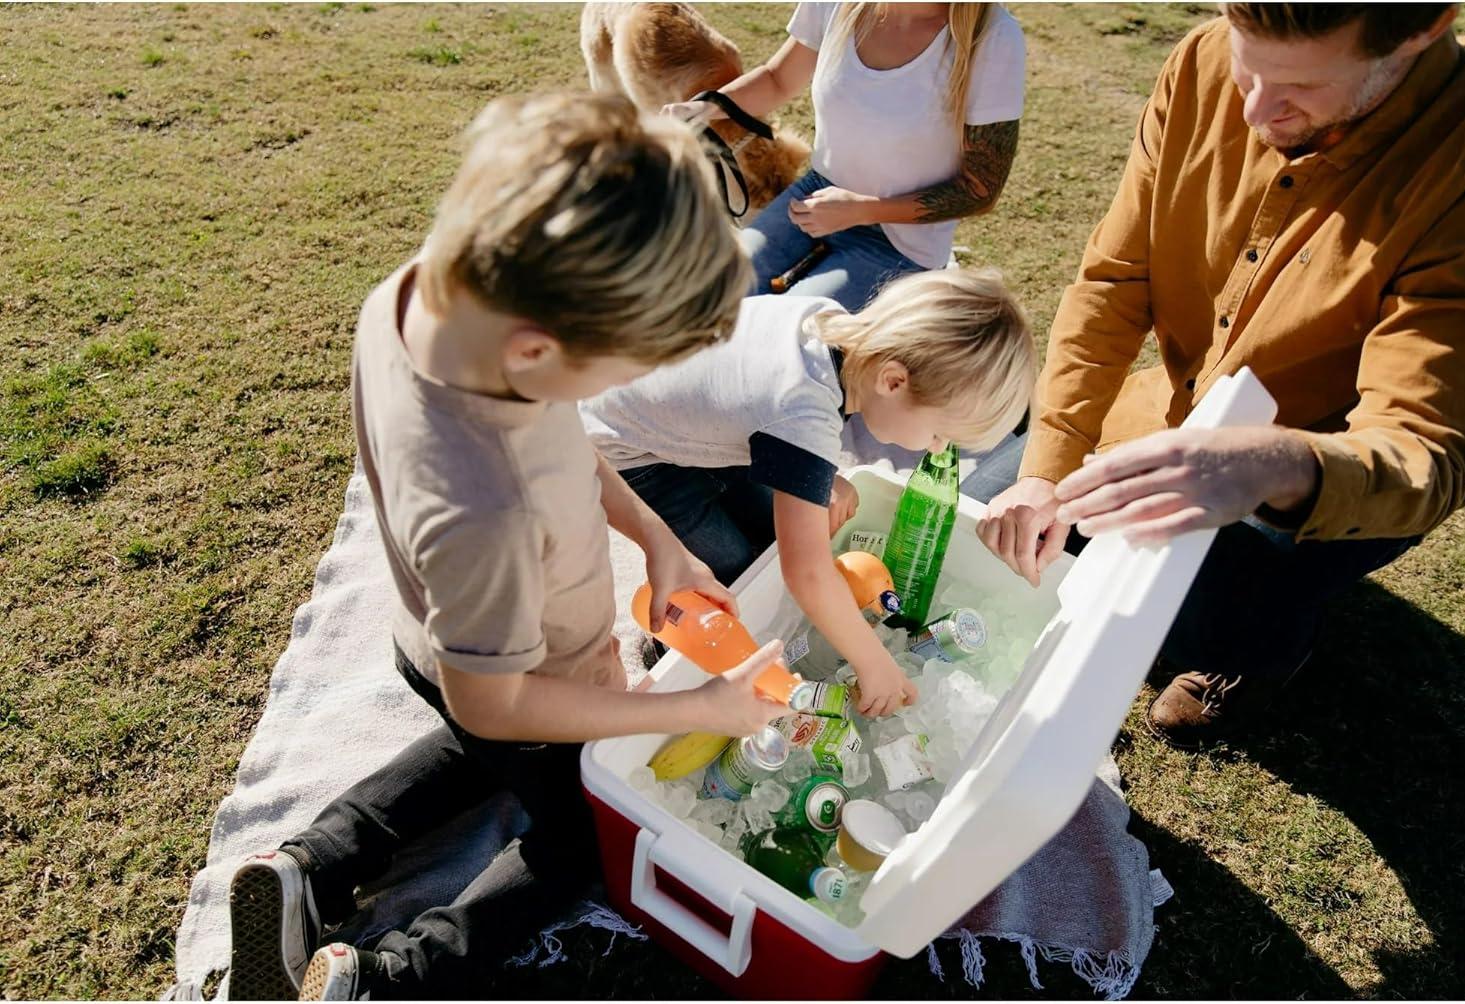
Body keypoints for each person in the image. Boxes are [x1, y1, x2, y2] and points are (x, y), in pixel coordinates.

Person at [224, 93, 789, 1002]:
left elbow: (565, 436)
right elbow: (497, 705)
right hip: (526, 676)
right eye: (624, 370)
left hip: (445, 640)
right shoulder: (486, 503)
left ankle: (313, 864)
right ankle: (387, 978)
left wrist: (657, 537)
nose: (626, 391)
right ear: (535, 352)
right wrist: (694, 710)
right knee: (582, 837)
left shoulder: (434, 295)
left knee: (462, 752)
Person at [977, 4, 1465, 748]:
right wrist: (1046, 469)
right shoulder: (1202, 59)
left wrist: (1276, 465)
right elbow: (1114, 282)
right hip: (1176, 414)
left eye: (1299, 85)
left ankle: (1259, 648)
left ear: (1424, 28)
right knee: (995, 512)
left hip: (1326, 477)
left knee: (1210, 617)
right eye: (1247, 67)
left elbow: (1425, 452)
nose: (1255, 110)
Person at [582, 268, 1036, 718]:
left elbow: (762, 407)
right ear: (893, 381)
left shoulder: (824, 321)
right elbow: (809, 575)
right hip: (628, 451)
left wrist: (814, 473)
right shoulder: (804, 415)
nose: (937, 448)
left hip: (679, 418)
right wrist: (874, 663)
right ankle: (671, 644)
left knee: (769, 545)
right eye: (939, 433)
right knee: (738, 572)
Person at [668, 2, 1026, 311]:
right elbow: (778, 79)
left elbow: (980, 189)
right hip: (815, 196)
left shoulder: (992, 37)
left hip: (901, 243)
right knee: (708, 295)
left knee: (788, 334)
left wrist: (862, 209)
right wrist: (705, 108)